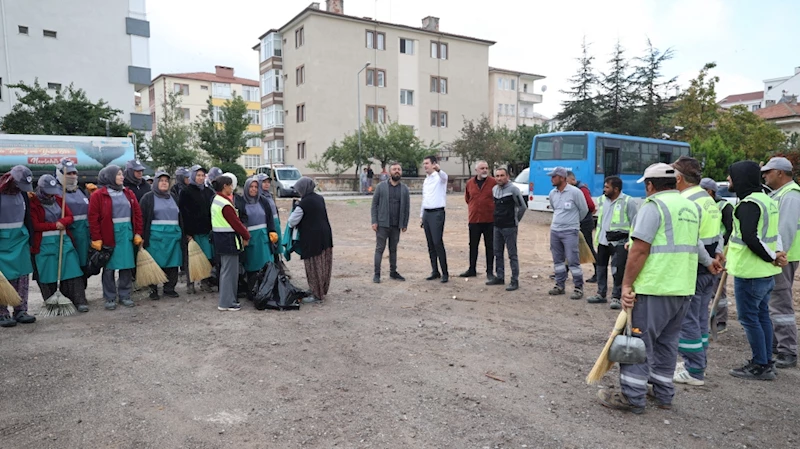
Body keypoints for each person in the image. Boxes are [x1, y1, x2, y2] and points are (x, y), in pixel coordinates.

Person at [597, 163, 700, 414]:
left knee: (638, 343)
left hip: (654, 287)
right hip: (682, 288)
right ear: (675, 183)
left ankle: (633, 397)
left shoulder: (653, 206)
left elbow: (639, 250)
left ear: (650, 185)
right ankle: (663, 394)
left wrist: (626, 284)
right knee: (667, 343)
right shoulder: (690, 206)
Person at [726, 160, 785, 380]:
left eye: (731, 176)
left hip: (750, 273)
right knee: (762, 317)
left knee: (750, 319)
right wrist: (777, 255)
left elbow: (751, 237)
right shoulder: (766, 201)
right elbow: (773, 233)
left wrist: (772, 256)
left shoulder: (748, 204)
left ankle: (761, 364)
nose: (729, 181)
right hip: (765, 272)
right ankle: (766, 360)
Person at [671, 156, 724, 387]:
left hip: (695, 267)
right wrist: (717, 255)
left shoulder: (686, 201)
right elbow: (718, 233)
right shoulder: (707, 199)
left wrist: (707, 261)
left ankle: (694, 370)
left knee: (688, 319)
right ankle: (699, 362)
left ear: (679, 178)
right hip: (707, 270)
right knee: (701, 319)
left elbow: (692, 239)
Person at [29, 175, 89, 312]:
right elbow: (35, 225)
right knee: (48, 272)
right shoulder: (33, 203)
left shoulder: (59, 200)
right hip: (44, 244)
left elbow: (69, 217)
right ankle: (53, 304)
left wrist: (63, 222)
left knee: (72, 268)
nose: (51, 195)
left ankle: (79, 300)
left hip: (63, 239)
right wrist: (54, 225)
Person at [762, 157, 800, 369]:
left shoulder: (791, 195)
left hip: (784, 257)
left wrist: (778, 255)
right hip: (780, 256)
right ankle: (777, 343)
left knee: (780, 303)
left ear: (780, 173)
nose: (765, 175)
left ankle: (787, 350)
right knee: (774, 301)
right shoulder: (781, 194)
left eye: (768, 172)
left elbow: (785, 229)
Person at [89, 165, 144, 310]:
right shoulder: (98, 195)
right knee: (109, 267)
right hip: (109, 233)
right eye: (118, 174)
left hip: (126, 233)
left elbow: (137, 215)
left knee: (126, 265)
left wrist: (138, 233)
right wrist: (96, 238)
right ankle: (110, 297)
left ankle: (125, 295)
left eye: (122, 174)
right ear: (110, 176)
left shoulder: (128, 193)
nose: (122, 177)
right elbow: (93, 218)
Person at [587, 176, 638, 309]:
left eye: (607, 187)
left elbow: (634, 223)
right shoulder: (602, 200)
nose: (604, 189)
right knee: (601, 267)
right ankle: (601, 293)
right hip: (603, 241)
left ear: (616, 189)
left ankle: (616, 297)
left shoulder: (628, 201)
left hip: (620, 242)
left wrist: (630, 242)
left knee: (618, 270)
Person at [0, 166, 36, 327]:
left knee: (22, 275)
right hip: (2, 241)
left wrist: (31, 240)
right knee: (2, 278)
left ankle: (21, 309)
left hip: (20, 240)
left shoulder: (22, 194)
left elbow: (27, 217)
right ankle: (2, 313)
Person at [288, 177, 334, 301]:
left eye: (299, 190)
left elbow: (292, 222)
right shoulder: (320, 198)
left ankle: (316, 294)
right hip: (325, 236)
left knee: (313, 265)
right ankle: (320, 290)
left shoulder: (304, 203)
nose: (298, 192)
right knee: (324, 264)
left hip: (312, 238)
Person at [140, 171, 183, 300]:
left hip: (173, 236)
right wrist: (141, 236)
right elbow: (142, 218)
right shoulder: (147, 198)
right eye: (161, 180)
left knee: (173, 262)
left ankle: (169, 288)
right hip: (155, 237)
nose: (164, 183)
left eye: (166, 181)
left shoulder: (174, 197)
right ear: (156, 182)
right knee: (154, 262)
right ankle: (153, 289)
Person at [209, 176, 250, 311]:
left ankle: (227, 300)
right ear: (225, 186)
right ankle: (227, 302)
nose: (232, 188)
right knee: (229, 272)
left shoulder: (216, 200)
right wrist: (246, 235)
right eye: (231, 185)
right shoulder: (225, 204)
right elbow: (236, 223)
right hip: (229, 241)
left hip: (221, 240)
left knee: (226, 271)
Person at [548, 167, 588, 299]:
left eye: (554, 176)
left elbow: (583, 210)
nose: (551, 179)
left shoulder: (575, 192)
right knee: (558, 260)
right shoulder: (552, 193)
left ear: (562, 178)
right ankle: (560, 285)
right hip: (555, 231)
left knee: (573, 260)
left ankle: (578, 287)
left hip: (570, 231)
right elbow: (555, 209)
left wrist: (573, 223)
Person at [236, 177, 278, 299]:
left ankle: (266, 291)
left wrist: (272, 231)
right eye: (251, 187)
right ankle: (252, 292)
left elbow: (270, 218)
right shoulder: (240, 202)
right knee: (252, 267)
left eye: (255, 187)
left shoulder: (263, 201)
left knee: (266, 265)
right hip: (249, 239)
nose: (254, 189)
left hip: (263, 239)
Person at [701, 177, 734, 333]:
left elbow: (729, 229)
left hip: (720, 252)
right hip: (705, 251)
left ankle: (720, 320)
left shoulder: (724, 206)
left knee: (718, 288)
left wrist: (720, 249)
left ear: (709, 191)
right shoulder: (702, 205)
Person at [486, 167, 526, 291]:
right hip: (497, 226)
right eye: (497, 176)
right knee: (497, 252)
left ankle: (514, 280)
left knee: (512, 254)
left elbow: (522, 207)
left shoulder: (514, 189)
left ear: (507, 176)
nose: (499, 178)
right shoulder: (494, 189)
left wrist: (515, 221)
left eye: (502, 175)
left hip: (510, 227)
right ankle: (500, 276)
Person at [371, 162, 410, 283]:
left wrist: (404, 223)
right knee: (380, 249)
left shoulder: (404, 189)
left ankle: (393, 272)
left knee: (393, 249)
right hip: (382, 224)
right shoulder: (381, 187)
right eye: (394, 169)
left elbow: (407, 207)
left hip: (396, 225)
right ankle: (377, 274)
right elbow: (374, 205)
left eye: (399, 169)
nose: (397, 171)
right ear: (389, 172)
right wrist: (374, 221)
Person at [179, 165, 215, 294]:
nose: (200, 178)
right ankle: (191, 283)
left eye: (202, 175)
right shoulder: (186, 192)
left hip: (206, 231)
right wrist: (187, 232)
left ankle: (205, 282)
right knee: (192, 258)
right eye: (198, 175)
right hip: (192, 232)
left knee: (207, 257)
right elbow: (183, 213)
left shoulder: (209, 192)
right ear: (193, 176)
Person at [55, 158, 91, 280]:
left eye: (74, 173)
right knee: (71, 266)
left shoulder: (80, 191)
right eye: (68, 173)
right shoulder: (56, 192)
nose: (72, 176)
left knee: (85, 265)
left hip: (84, 235)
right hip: (68, 234)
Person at [461, 160, 496, 280]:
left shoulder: (493, 182)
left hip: (489, 219)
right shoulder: (470, 183)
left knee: (490, 246)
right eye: (482, 168)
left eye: (486, 168)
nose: (485, 170)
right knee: (473, 245)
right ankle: (472, 269)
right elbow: (467, 198)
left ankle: (490, 271)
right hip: (474, 219)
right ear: (476, 170)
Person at [420, 155, 449, 283]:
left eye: (427, 163)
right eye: (424, 163)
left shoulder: (439, 178)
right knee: (430, 243)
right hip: (427, 212)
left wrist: (439, 170)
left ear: (433, 164)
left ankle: (445, 272)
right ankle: (435, 270)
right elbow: (424, 198)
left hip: (437, 212)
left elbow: (445, 177)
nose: (425, 165)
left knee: (437, 242)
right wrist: (422, 216)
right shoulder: (426, 180)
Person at [567, 171, 598, 282]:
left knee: (589, 248)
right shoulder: (574, 189)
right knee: (569, 247)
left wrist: (580, 217)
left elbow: (590, 206)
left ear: (572, 179)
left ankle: (598, 273)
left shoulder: (582, 189)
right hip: (577, 223)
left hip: (584, 223)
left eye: (566, 181)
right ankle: (563, 272)